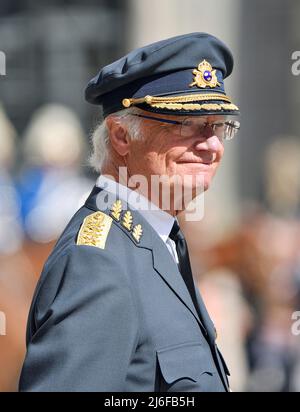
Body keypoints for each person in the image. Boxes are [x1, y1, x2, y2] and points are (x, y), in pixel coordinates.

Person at [19, 32, 240, 392]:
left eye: (218, 126)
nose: (212, 145)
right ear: (122, 136)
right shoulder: (96, 262)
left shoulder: (159, 239)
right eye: (188, 123)